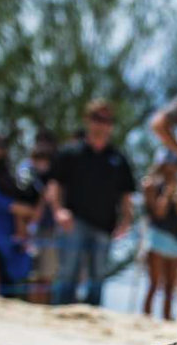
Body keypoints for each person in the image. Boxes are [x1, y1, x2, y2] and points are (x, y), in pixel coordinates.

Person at [46, 99, 135, 306]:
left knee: (97, 279)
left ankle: (91, 321)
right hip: (74, 221)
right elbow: (55, 184)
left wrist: (126, 220)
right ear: (87, 120)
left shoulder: (118, 158)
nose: (101, 124)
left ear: (111, 125)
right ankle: (59, 315)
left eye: (106, 120)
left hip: (105, 225)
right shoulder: (70, 152)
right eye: (97, 118)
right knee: (68, 272)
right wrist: (59, 210)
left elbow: (126, 194)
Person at [0, 134, 37, 297]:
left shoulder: (6, 174)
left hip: (10, 234)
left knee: (10, 278)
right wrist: (17, 208)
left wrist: (21, 214)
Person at [141, 156, 177, 320]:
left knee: (170, 286)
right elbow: (159, 212)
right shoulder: (151, 184)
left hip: (175, 239)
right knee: (154, 283)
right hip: (157, 237)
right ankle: (146, 317)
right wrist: (168, 193)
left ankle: (167, 317)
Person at [19, 135, 58, 303]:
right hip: (33, 228)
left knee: (46, 275)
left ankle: (42, 308)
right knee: (35, 275)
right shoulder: (27, 173)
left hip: (49, 229)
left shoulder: (52, 176)